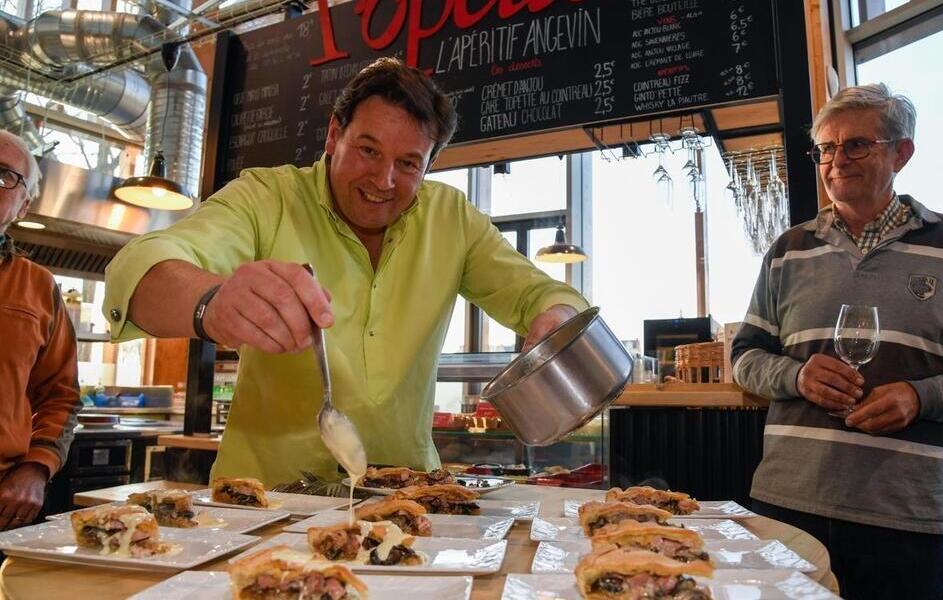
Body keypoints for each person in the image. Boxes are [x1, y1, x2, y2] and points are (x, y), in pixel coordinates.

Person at [103, 57, 588, 487]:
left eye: (408, 163)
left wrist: (555, 315)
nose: (383, 181)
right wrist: (212, 302)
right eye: (369, 150)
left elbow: (539, 295)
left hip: (407, 498)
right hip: (265, 502)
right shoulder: (267, 198)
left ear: (429, 166)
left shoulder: (451, 219)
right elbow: (139, 268)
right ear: (334, 134)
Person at [730, 83, 943, 599]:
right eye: (825, 148)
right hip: (785, 503)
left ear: (901, 152)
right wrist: (796, 375)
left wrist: (921, 397)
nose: (836, 160)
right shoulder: (788, 250)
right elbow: (746, 356)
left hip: (904, 517)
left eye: (856, 145)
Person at [0, 131, 82, 531]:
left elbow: (60, 396)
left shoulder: (37, 287)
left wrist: (36, 467)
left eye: (4, 177)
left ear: (23, 204)